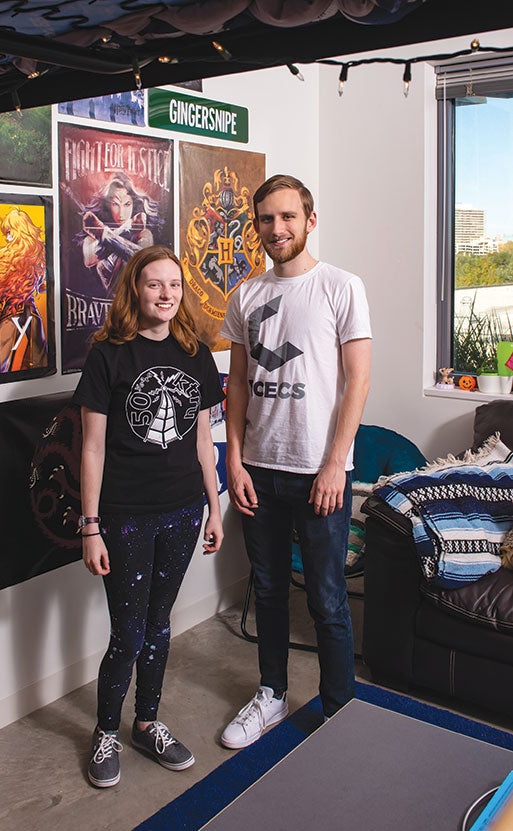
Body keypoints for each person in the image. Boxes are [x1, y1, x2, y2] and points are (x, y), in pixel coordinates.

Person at [219, 174, 372, 748]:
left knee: (328, 598)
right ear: (255, 226)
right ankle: (272, 694)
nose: (276, 229)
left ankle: (340, 711)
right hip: (259, 469)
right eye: (266, 219)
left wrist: (337, 464)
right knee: (269, 589)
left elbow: (357, 380)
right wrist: (233, 462)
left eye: (287, 217)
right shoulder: (246, 295)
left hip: (318, 472)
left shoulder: (341, 286)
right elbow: (236, 384)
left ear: (310, 220)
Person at [72, 244, 224, 788]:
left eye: (175, 286)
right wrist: (91, 526)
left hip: (184, 510)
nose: (166, 294)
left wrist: (215, 506)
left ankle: (147, 722)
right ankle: (106, 730)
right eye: (155, 284)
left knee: (160, 625)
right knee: (129, 633)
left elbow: (206, 437)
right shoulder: (109, 354)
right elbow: (91, 448)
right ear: (135, 288)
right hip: (126, 514)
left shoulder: (195, 352)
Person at [77, 172, 158, 295]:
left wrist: (105, 235)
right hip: (109, 295)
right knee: (101, 265)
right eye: (115, 204)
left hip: (133, 294)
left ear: (134, 204)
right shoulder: (91, 238)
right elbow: (89, 260)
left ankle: (106, 235)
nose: (121, 213)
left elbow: (144, 262)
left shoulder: (144, 234)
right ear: (107, 205)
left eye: (127, 204)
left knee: (131, 260)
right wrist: (126, 229)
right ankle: (115, 233)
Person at [0, 207, 47, 372]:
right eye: (6, 233)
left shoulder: (38, 254)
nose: (8, 237)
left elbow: (41, 287)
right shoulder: (4, 256)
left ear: (21, 231)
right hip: (12, 309)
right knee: (2, 355)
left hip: (27, 308)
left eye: (10, 232)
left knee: (39, 353)